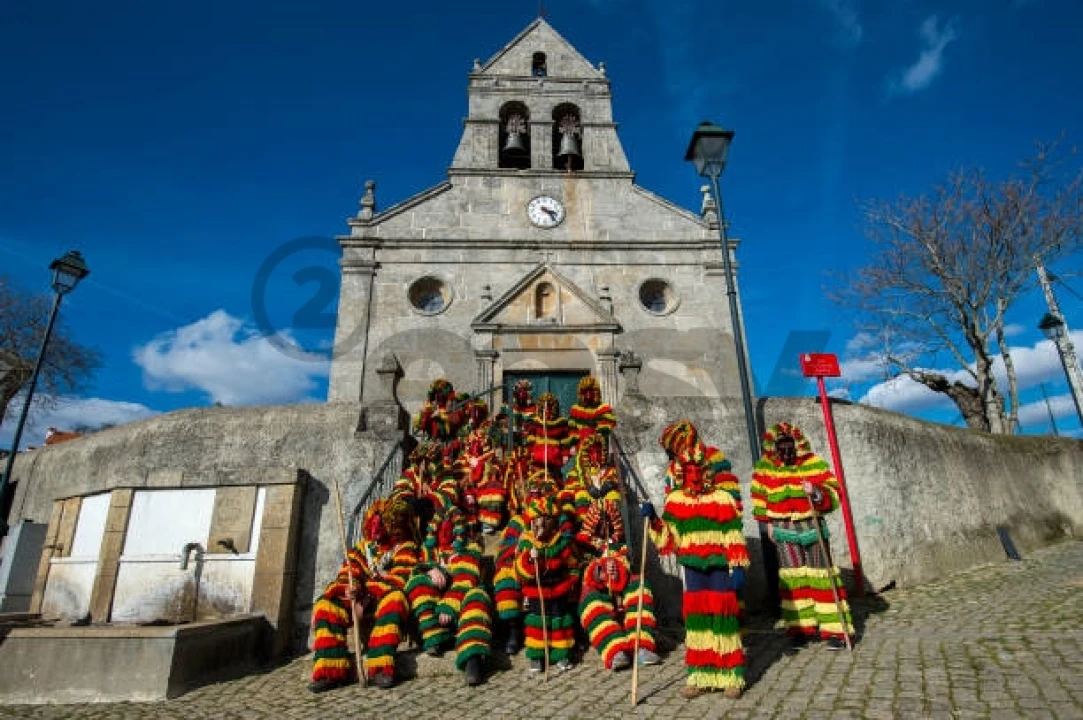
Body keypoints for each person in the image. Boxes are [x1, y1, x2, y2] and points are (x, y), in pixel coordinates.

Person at [640, 419, 749, 700]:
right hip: (692, 564)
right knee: (698, 620)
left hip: (719, 564)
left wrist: (737, 564)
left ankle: (730, 675)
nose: (694, 476)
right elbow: (668, 537)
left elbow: (732, 530)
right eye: (688, 471)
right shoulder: (676, 499)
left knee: (723, 617)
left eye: (698, 471)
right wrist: (653, 519)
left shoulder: (722, 497)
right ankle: (700, 674)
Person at [751, 422, 854, 650]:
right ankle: (800, 627)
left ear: (798, 445)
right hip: (783, 528)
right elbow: (759, 497)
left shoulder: (813, 464)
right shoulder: (765, 468)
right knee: (793, 579)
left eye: (790, 446)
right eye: (781, 447)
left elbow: (834, 492)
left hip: (812, 525)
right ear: (774, 447)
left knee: (822, 576)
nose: (786, 451)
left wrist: (816, 491)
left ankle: (834, 630)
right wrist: (767, 525)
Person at [309, 498, 420, 692]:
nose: (376, 528)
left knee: (395, 599)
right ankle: (330, 671)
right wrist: (348, 588)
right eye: (374, 523)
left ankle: (379, 668)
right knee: (325, 604)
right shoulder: (362, 548)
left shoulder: (405, 548)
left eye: (382, 523)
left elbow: (399, 580)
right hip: (359, 599)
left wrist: (366, 600)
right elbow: (348, 572)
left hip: (381, 600)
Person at [405, 493, 492, 686]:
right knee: (417, 582)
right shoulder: (430, 551)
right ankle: (435, 637)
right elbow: (414, 569)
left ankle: (473, 660)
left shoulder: (471, 547)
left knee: (477, 597)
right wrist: (429, 569)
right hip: (438, 613)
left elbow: (465, 579)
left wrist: (449, 605)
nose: (445, 532)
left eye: (450, 526)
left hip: (461, 605)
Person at [515, 494, 579, 673]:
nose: (541, 524)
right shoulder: (527, 542)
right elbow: (519, 571)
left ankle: (561, 653)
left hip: (558, 590)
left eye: (546, 519)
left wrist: (570, 583)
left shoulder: (562, 542)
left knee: (560, 622)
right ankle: (537, 655)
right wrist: (529, 558)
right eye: (537, 519)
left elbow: (574, 565)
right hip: (536, 591)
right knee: (537, 623)